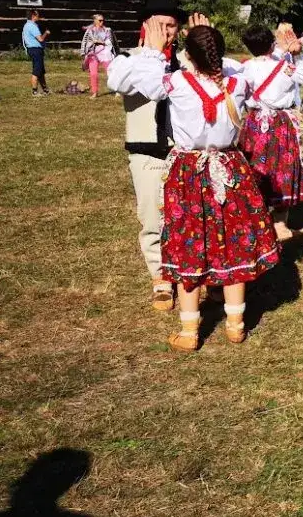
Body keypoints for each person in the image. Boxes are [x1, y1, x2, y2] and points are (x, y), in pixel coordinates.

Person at [117, 18, 279, 351]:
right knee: (233, 241)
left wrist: (153, 49)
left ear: (188, 56)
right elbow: (236, 66)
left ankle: (190, 332)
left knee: (188, 241)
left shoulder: (177, 82)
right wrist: (208, 42)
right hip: (230, 167)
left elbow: (138, 80)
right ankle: (236, 324)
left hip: (190, 172)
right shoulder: (237, 84)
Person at [107, 0, 192, 312]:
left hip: (184, 152)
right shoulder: (127, 59)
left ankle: (189, 273)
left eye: (171, 26)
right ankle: (160, 278)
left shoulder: (185, 61)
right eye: (160, 25)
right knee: (152, 218)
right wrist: (153, 53)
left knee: (187, 217)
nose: (167, 32)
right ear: (145, 27)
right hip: (146, 151)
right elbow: (119, 81)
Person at [238, 23, 303, 242]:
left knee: (255, 168)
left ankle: (255, 219)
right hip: (278, 125)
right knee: (281, 169)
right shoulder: (283, 68)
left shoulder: (244, 68)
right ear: (271, 43)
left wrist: (283, 49)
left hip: (253, 124)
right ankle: (279, 223)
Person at [80, 14, 117, 98]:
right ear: (95, 21)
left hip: (105, 53)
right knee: (93, 74)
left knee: (110, 72)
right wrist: (83, 52)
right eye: (100, 20)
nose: (102, 22)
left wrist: (100, 42)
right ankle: (94, 92)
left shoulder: (107, 30)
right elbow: (84, 41)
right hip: (92, 54)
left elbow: (111, 42)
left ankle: (117, 90)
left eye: (103, 20)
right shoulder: (90, 30)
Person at [23, 10, 50, 96]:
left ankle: (45, 90)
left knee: (41, 71)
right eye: (38, 15)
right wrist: (46, 33)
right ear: (33, 16)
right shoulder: (32, 26)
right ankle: (34, 92)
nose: (39, 16)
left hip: (33, 49)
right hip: (35, 49)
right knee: (37, 70)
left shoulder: (27, 25)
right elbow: (41, 39)